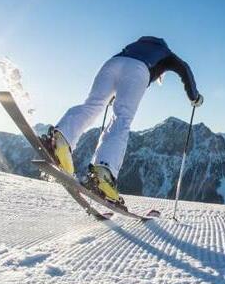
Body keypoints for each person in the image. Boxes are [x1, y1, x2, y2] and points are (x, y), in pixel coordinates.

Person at [42, 36, 203, 205]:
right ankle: (103, 174)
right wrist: (194, 97)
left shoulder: (133, 46)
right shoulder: (166, 53)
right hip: (139, 70)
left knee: (93, 104)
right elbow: (184, 68)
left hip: (112, 63)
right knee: (122, 118)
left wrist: (114, 93)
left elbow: (123, 69)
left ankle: (61, 139)